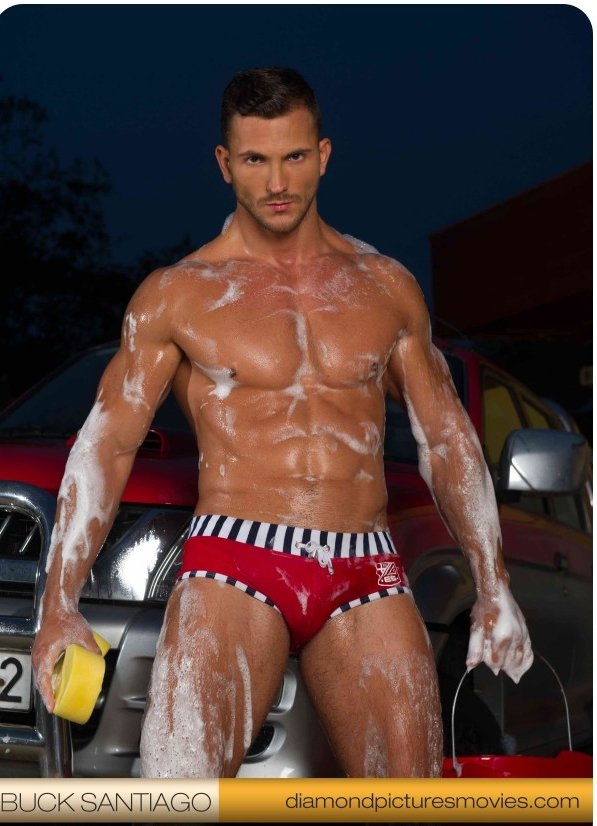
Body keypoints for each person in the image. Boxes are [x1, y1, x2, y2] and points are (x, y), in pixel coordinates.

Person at [32, 66, 533, 778]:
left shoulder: (384, 287)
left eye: (294, 156)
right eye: (254, 160)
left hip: (364, 561)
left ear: (323, 154)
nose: (276, 182)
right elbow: (106, 445)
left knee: (409, 801)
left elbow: (446, 438)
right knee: (182, 800)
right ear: (224, 163)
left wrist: (493, 582)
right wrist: (59, 602)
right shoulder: (178, 294)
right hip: (236, 555)